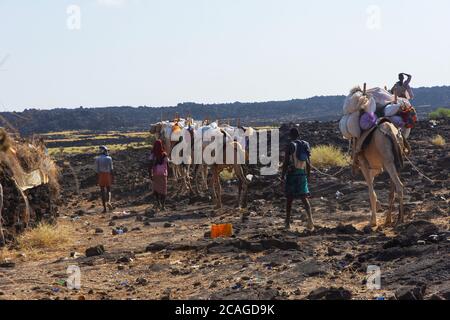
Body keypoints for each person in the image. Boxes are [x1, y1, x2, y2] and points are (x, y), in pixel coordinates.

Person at [281, 128, 314, 231]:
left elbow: (286, 162)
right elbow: (308, 163)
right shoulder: (306, 145)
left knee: (289, 199)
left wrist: (282, 176)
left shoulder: (290, 145)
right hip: (302, 174)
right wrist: (308, 175)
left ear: (290, 136)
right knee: (304, 198)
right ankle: (310, 221)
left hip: (292, 174)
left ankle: (287, 223)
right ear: (299, 135)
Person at [149, 139, 169, 211]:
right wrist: (168, 174)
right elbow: (167, 165)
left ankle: (158, 203)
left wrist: (150, 174)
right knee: (163, 190)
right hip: (163, 174)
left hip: (155, 174)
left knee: (156, 189)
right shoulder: (164, 154)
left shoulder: (153, 155)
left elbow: (150, 165)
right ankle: (163, 206)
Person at [95, 146, 114, 213]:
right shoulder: (109, 158)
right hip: (107, 175)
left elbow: (96, 171)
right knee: (108, 189)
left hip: (101, 175)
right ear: (105, 151)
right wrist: (113, 177)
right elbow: (111, 169)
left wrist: (97, 179)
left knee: (102, 191)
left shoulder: (97, 159)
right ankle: (108, 202)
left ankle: (104, 208)